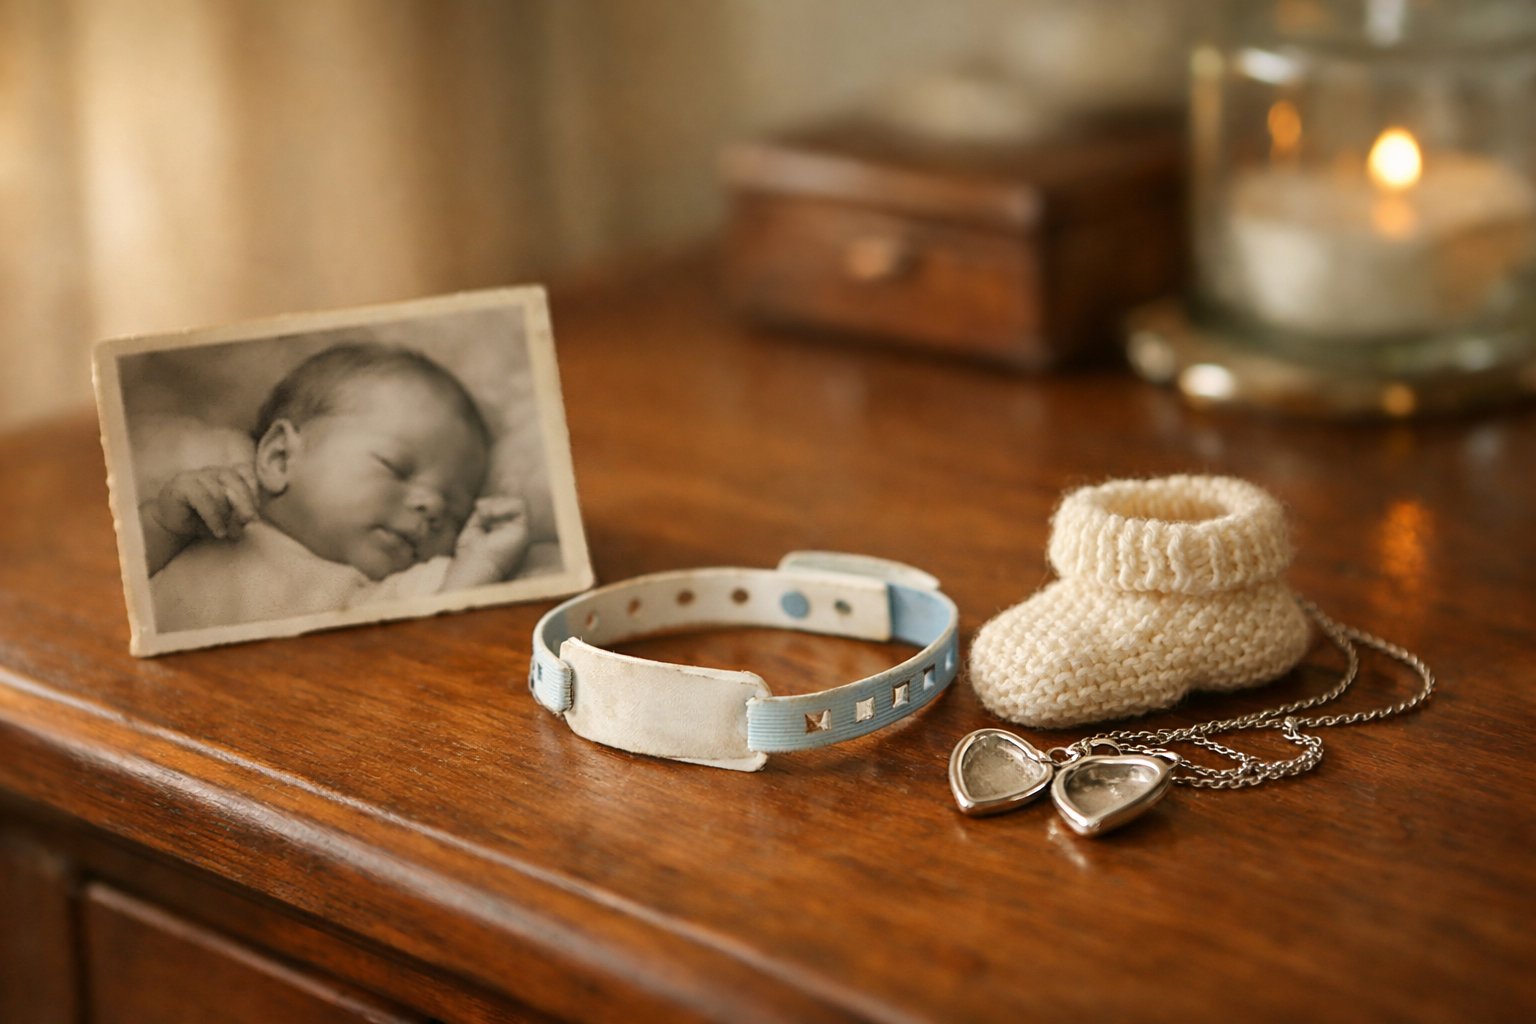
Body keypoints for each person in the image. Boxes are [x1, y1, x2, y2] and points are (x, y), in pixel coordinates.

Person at [143, 342, 530, 632]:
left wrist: (484, 562)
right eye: (396, 467)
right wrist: (162, 523)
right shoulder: (207, 521)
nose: (432, 506)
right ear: (280, 458)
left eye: (454, 511)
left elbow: (443, 628)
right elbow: (114, 587)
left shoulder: (387, 593)